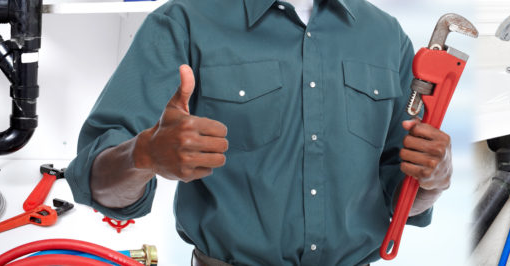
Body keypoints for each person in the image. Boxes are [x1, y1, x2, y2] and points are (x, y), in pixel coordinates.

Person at [65, 0, 453, 264]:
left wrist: (432, 182)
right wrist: (143, 154)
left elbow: (398, 198)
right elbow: (96, 182)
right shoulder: (183, 20)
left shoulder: (385, 35)